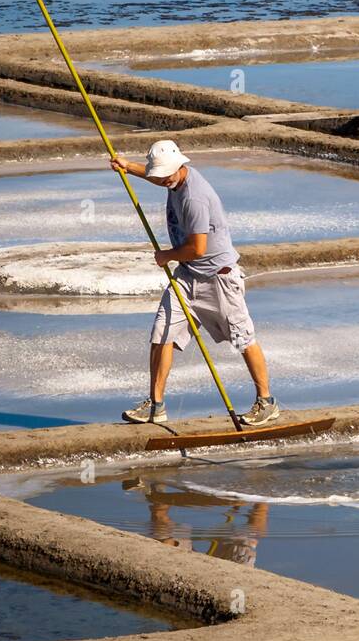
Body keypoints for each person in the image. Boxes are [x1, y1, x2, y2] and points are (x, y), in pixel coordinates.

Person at [109, 139, 280, 428]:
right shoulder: (172, 181)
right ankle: (156, 405)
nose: (162, 179)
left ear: (179, 166)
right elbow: (160, 179)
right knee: (161, 334)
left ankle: (266, 402)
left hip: (219, 278)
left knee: (242, 338)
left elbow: (197, 248)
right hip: (188, 276)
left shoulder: (194, 197)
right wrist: (129, 168)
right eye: (158, 174)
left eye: (164, 174)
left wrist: (166, 256)